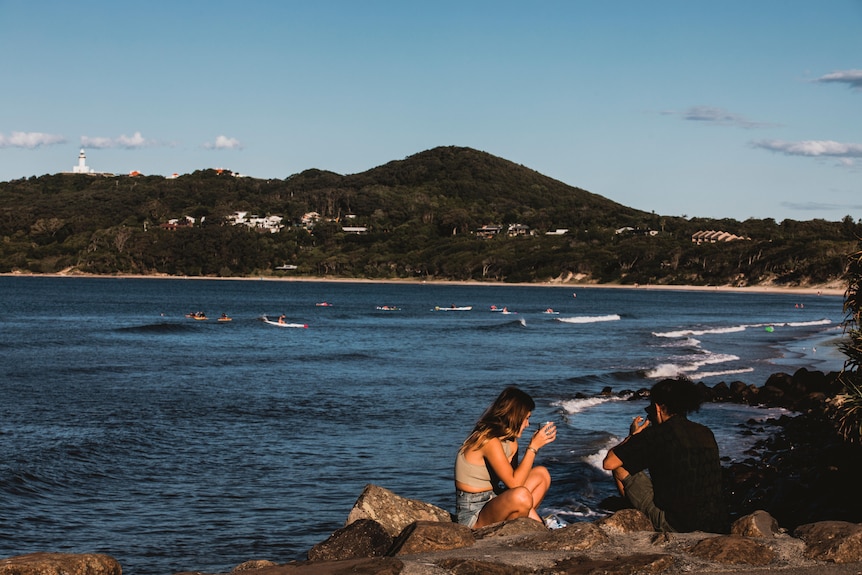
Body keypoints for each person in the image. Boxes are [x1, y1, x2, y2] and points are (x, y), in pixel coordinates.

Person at [602, 377, 728, 533]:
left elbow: (609, 463)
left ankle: (635, 518)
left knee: (621, 467)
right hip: (715, 522)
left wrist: (633, 437)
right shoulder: (705, 432)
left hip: (678, 525)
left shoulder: (657, 435)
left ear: (657, 408)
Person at [454, 386, 556, 529]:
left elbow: (513, 482)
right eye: (526, 418)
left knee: (541, 474)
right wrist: (533, 448)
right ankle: (525, 528)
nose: (528, 424)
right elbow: (515, 485)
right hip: (474, 512)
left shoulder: (511, 442)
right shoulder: (488, 440)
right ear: (515, 417)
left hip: (494, 498)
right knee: (521, 495)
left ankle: (534, 525)